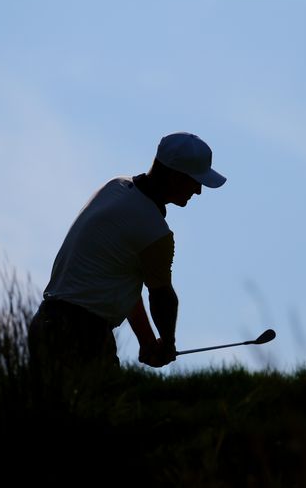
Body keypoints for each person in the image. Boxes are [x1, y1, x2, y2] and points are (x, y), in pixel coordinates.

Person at [28, 132, 226, 376]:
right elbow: (162, 296)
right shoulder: (154, 231)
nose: (198, 190)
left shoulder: (116, 186)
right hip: (82, 335)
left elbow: (123, 283)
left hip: (45, 325)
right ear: (175, 176)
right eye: (195, 181)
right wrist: (167, 344)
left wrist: (147, 340)